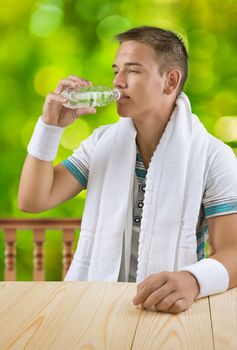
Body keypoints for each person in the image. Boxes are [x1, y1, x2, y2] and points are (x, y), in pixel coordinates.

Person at [18, 26, 237, 314]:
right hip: (97, 306)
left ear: (170, 81)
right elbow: (33, 200)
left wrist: (193, 280)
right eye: (115, 71)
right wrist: (49, 127)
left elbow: (233, 251)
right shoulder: (101, 144)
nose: (118, 82)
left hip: (170, 311)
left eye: (132, 71)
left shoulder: (212, 156)